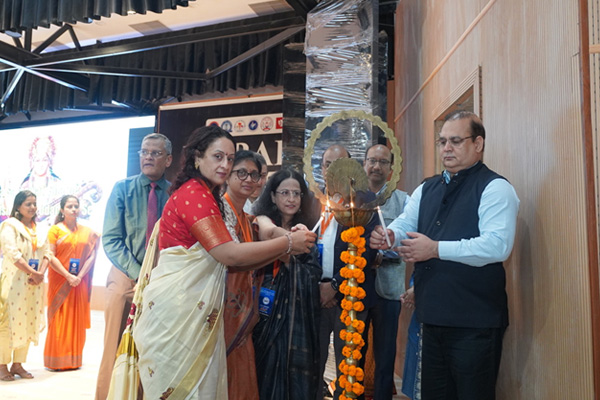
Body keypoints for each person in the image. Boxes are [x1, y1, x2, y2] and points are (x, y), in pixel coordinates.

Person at [132, 126, 316, 399]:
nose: (225, 165)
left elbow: (249, 238)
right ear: (198, 157)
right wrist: (288, 244)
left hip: (198, 310)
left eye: (229, 159)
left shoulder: (208, 195)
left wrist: (281, 236)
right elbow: (229, 255)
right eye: (218, 157)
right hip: (180, 309)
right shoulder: (195, 194)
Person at [370, 111, 520, 400]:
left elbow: (497, 245)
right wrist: (390, 235)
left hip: (475, 322)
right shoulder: (427, 187)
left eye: (455, 141)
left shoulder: (495, 187)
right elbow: (405, 223)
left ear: (478, 144)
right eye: (442, 142)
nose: (447, 148)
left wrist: (435, 249)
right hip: (432, 317)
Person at [95, 133, 173, 400]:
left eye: (155, 153)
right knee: (115, 348)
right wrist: (140, 274)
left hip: (161, 281)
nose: (148, 157)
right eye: (144, 152)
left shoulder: (174, 194)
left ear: (168, 160)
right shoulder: (122, 189)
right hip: (125, 276)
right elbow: (111, 239)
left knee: (153, 352)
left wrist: (157, 277)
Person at [252, 168, 322, 400]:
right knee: (264, 373)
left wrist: (296, 258)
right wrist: (291, 243)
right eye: (285, 193)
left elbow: (313, 275)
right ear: (273, 196)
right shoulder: (260, 224)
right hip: (265, 313)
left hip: (299, 320)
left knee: (298, 380)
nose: (291, 199)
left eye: (296, 193)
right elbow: (267, 241)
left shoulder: (309, 230)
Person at [363, 144, 409, 400]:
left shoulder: (404, 201)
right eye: (372, 160)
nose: (376, 166)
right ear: (364, 164)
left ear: (391, 169)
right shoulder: (352, 198)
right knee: (354, 351)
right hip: (356, 286)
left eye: (383, 162)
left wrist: (380, 253)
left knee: (385, 354)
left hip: (389, 287)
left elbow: (408, 241)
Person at [222, 150, 265, 399]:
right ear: (228, 175)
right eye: (242, 173)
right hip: (217, 315)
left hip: (242, 313)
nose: (249, 179)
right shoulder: (216, 213)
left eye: (254, 175)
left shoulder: (250, 220)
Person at [44, 195, 100, 370]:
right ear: (62, 210)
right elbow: (50, 255)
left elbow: (91, 255)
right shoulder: (55, 230)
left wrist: (79, 276)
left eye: (76, 206)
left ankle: (73, 361)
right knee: (59, 319)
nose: (74, 209)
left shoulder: (87, 232)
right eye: (69, 206)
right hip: (60, 281)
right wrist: (68, 276)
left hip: (79, 283)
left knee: (76, 320)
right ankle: (56, 361)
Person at [0, 190, 51, 381]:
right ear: (18, 206)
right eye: (28, 204)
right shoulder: (10, 226)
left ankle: (18, 364)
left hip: (33, 285)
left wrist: (40, 274)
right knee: (8, 323)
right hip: (14, 283)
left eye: (34, 203)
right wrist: (33, 273)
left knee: (28, 321)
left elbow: (48, 254)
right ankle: (2, 365)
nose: (32, 207)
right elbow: (12, 253)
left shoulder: (40, 229)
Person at [315, 144, 350, 400]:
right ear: (322, 169)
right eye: (329, 164)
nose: (334, 170)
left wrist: (334, 286)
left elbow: (364, 254)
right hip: (314, 294)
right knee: (313, 360)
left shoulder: (362, 205)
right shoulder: (310, 201)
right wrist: (318, 287)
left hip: (347, 295)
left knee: (347, 366)